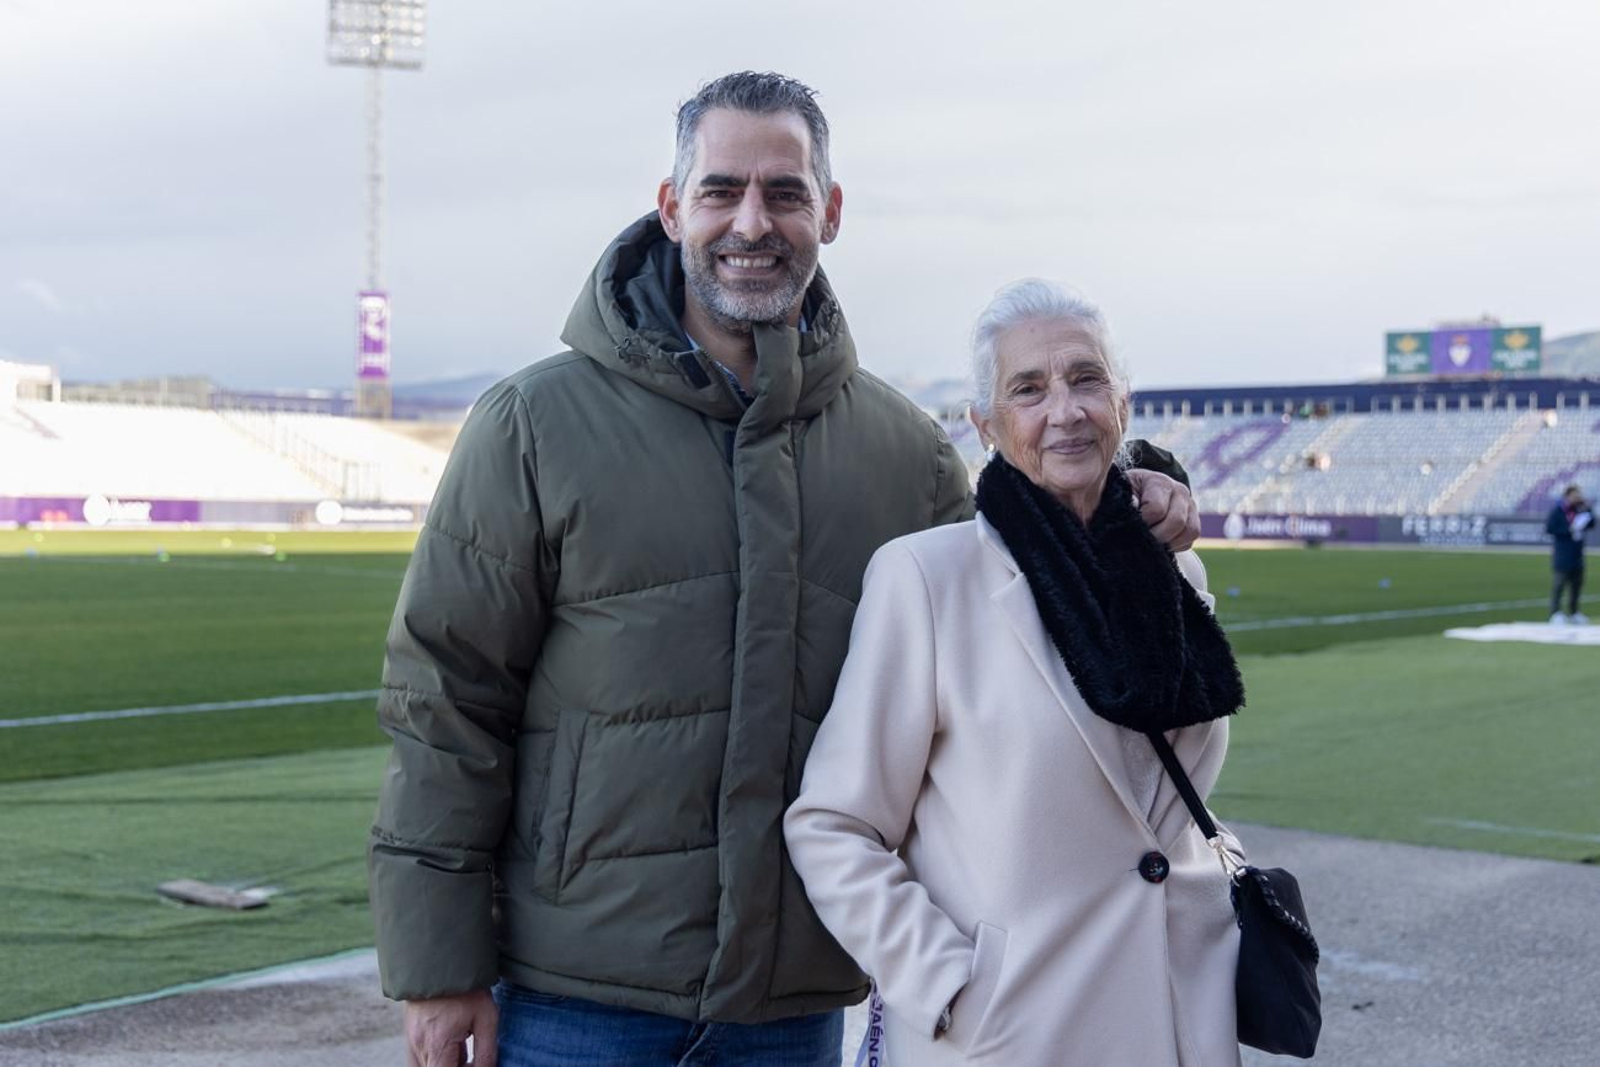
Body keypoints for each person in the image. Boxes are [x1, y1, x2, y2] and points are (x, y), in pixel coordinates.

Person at [368, 75, 1200, 1067]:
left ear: (830, 212)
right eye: (721, 191)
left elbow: (1033, 570)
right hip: (575, 998)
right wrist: (437, 962)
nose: (751, 223)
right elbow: (446, 697)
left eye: (786, 193)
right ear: (672, 207)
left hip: (790, 1006)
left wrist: (1145, 485)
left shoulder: (903, 450)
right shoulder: (533, 423)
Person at [785, 279, 1248, 1066]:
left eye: (1086, 379)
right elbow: (833, 825)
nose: (1063, 409)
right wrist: (947, 983)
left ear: (1122, 403)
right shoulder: (927, 580)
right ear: (986, 424)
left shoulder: (1175, 573)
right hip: (1015, 1034)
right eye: (1028, 389)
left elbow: (1157, 818)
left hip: (1178, 1020)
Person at [1547, 483, 1591, 625]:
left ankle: (1574, 612)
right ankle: (1555, 613)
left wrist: (1587, 509)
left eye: (1578, 496)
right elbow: (1550, 528)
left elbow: (1592, 523)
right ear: (1567, 496)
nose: (1577, 498)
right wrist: (1569, 530)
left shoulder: (1580, 510)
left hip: (1577, 554)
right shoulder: (1558, 511)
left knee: (1576, 586)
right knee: (1559, 585)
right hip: (1563, 554)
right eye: (1574, 496)